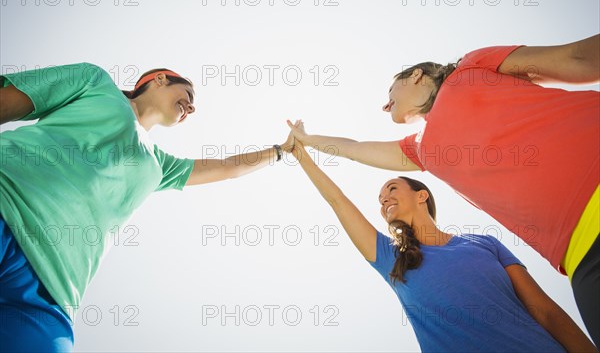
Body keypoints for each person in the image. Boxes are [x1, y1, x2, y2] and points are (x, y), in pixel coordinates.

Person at [287, 34, 600, 346]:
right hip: (582, 254)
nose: (386, 104)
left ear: (416, 75)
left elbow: (578, 57)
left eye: (390, 89)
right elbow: (354, 150)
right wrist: (308, 139)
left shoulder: (471, 68)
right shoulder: (423, 150)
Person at [0, 63, 293, 352]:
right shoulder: (95, 82)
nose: (191, 108)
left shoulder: (158, 166)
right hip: (6, 204)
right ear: (160, 79)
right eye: (188, 95)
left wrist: (281, 151)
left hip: (54, 287)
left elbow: (229, 167)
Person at [288, 127, 597, 352]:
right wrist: (301, 154)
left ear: (421, 195)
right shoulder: (390, 258)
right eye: (380, 199)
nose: (383, 200)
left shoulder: (484, 243)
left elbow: (545, 311)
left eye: (391, 189)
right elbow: (338, 201)